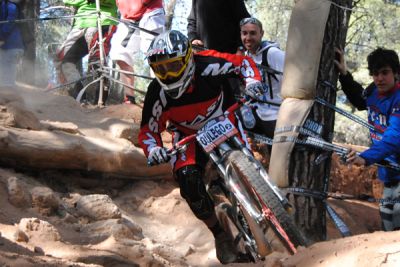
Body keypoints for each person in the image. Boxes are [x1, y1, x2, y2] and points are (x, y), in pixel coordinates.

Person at [138, 30, 263, 264]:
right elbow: (148, 129)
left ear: (187, 59)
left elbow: (243, 63)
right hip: (188, 136)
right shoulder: (157, 92)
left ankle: (264, 200)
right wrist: (154, 149)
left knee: (250, 164)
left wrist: (253, 80)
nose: (168, 75)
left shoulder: (208, 63)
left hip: (224, 119)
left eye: (174, 66)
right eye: (161, 69)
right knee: (188, 182)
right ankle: (219, 234)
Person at [335, 47, 400, 231]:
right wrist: (344, 75)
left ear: (396, 73)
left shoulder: (398, 98)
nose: (379, 78)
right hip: (388, 177)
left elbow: (394, 137)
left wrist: (365, 157)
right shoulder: (373, 91)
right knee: (388, 228)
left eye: (385, 73)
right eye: (375, 74)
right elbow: (359, 99)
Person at [56, 0, 117, 99]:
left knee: (97, 61)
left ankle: (100, 100)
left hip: (101, 20)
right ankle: (80, 99)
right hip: (79, 24)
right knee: (63, 60)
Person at [109, 0, 165, 104]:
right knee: (119, 54)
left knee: (154, 55)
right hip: (127, 15)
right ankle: (129, 98)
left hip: (151, 11)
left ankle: (159, 97)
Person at [238, 17, 285, 138]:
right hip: (257, 112)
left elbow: (293, 83)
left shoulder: (273, 54)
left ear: (261, 34)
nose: (248, 38)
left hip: (276, 116)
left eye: (253, 33)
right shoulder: (247, 56)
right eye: (244, 33)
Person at [0, 0, 24, 89]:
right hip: (10, 47)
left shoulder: (10, 6)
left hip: (12, 47)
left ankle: (10, 98)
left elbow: (9, 22)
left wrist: (1, 37)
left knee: (7, 82)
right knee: (4, 79)